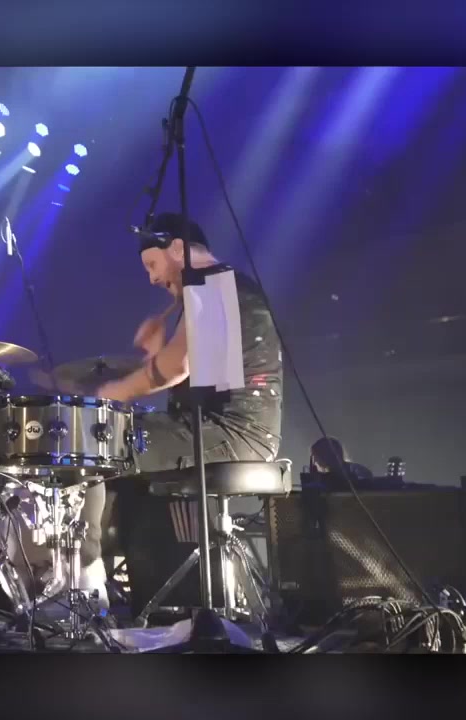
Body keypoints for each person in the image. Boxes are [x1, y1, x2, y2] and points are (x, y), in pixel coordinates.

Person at [88, 214, 285, 612]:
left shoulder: (210, 282)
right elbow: (191, 371)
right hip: (230, 428)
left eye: (152, 265)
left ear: (177, 248)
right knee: (115, 443)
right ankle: (148, 593)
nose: (152, 279)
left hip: (232, 432)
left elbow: (176, 367)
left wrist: (109, 395)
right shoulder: (223, 287)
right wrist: (157, 352)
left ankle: (83, 579)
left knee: (97, 438)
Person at [307, 436, 374, 486]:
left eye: (316, 456)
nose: (315, 461)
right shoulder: (327, 477)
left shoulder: (355, 470)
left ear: (326, 455)